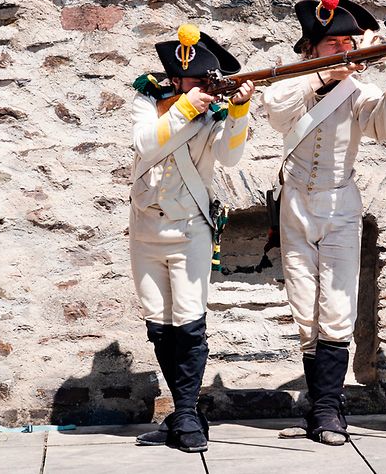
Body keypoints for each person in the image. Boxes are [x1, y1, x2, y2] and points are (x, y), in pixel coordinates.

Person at [262, 0, 386, 446]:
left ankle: (329, 410)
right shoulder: (293, 80)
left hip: (340, 205)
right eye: (335, 44)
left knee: (335, 311)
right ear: (312, 47)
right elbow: (275, 109)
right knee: (303, 310)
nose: (345, 49)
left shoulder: (360, 89)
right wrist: (323, 76)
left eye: (349, 43)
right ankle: (320, 405)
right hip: (294, 206)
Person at [128, 24, 255, 453]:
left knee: (189, 324)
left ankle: (184, 415)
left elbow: (231, 155)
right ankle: (184, 413)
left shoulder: (213, 115)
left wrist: (238, 112)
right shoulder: (150, 102)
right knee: (159, 327)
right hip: (146, 230)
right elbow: (146, 145)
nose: (201, 88)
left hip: (189, 231)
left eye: (205, 82)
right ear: (176, 80)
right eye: (193, 81)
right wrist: (183, 108)